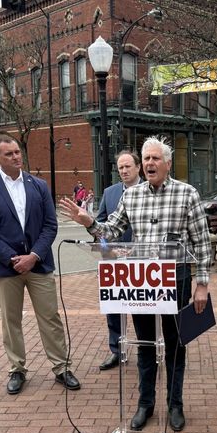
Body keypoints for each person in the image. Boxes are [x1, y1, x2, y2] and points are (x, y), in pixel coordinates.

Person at [60, 136, 211, 432]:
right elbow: (111, 231)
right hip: (142, 280)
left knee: (175, 344)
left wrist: (202, 284)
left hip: (176, 278)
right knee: (144, 344)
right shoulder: (131, 195)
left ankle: (175, 404)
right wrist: (89, 223)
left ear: (168, 163)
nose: (150, 163)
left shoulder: (187, 193)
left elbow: (202, 242)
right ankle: (145, 404)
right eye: (147, 159)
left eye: (156, 158)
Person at [0, 135, 81, 395]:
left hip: (38, 264)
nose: (16, 157)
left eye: (17, 152)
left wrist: (33, 256)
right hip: (6, 267)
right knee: (10, 320)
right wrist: (13, 259)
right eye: (9, 154)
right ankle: (17, 369)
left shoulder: (39, 186)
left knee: (50, 317)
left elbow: (50, 225)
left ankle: (61, 367)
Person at [94, 151, 142, 371]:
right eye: (120, 167)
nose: (123, 171)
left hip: (142, 261)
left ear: (138, 167)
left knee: (143, 309)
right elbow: (100, 227)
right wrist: (107, 252)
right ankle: (117, 350)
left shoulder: (150, 190)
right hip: (114, 263)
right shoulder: (110, 193)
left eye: (127, 166)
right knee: (114, 309)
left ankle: (146, 350)